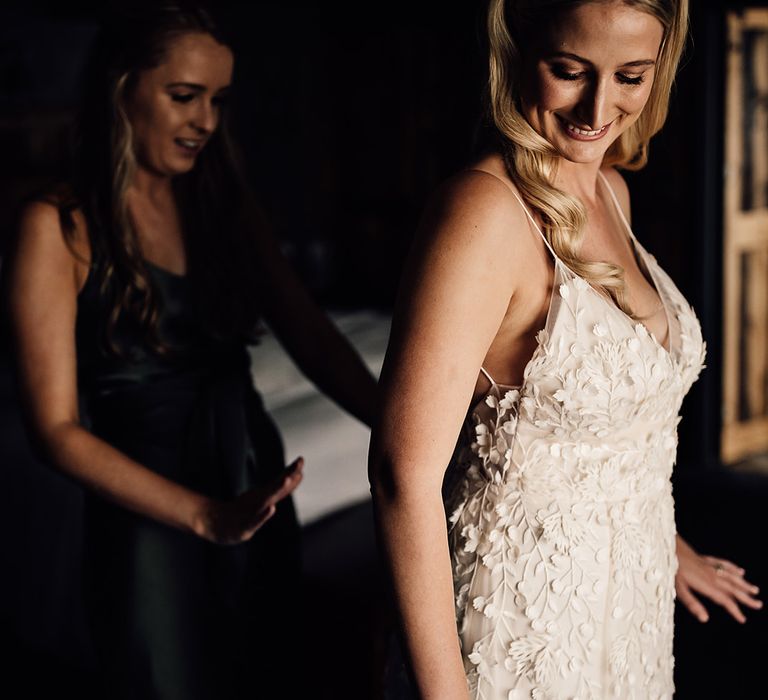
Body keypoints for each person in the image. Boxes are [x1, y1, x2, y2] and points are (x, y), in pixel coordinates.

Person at [368, 1, 763, 698]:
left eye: (631, 77)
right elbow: (403, 474)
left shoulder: (611, 191)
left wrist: (665, 548)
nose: (597, 110)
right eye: (570, 71)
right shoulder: (484, 212)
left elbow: (605, 433)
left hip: (627, 615)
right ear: (519, 47)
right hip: (518, 630)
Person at [3, 4, 377, 699]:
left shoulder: (222, 203)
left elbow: (314, 339)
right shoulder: (55, 225)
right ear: (122, 89)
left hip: (251, 472)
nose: (205, 120)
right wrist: (205, 516)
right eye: (184, 96)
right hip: (149, 514)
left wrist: (401, 427)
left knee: (268, 675)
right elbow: (53, 431)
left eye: (218, 101)